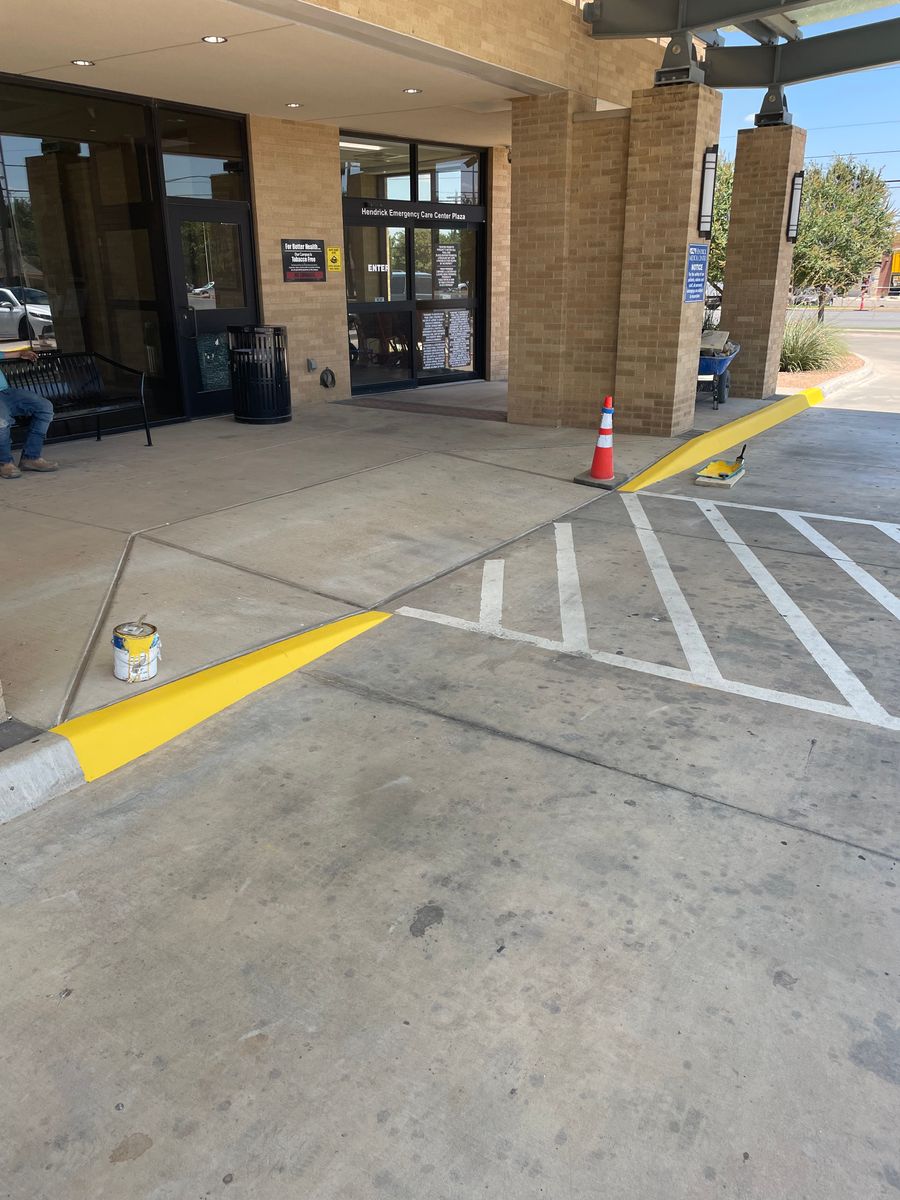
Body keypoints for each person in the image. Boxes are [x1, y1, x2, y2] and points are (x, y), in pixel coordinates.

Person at [0, 346, 58, 479]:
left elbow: (4, 354)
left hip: (6, 392)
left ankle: (31, 458)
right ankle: (4, 463)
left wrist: (21, 353)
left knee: (44, 407)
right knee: (2, 420)